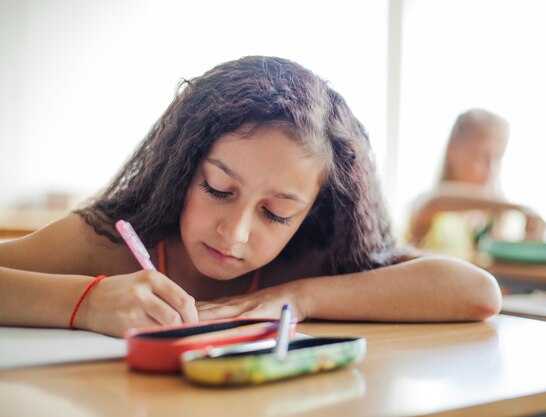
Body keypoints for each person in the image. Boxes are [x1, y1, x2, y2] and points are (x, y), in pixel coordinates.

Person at [0, 57, 501, 337]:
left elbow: (478, 292)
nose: (234, 232)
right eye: (218, 189)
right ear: (182, 167)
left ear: (312, 210)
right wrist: (86, 303)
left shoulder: (306, 261)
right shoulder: (106, 245)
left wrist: (296, 297)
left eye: (276, 213)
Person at [407, 109, 546, 257]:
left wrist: (529, 240)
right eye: (482, 157)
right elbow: (433, 200)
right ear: (453, 148)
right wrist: (512, 206)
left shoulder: (491, 222)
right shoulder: (430, 208)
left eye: (498, 159)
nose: (491, 169)